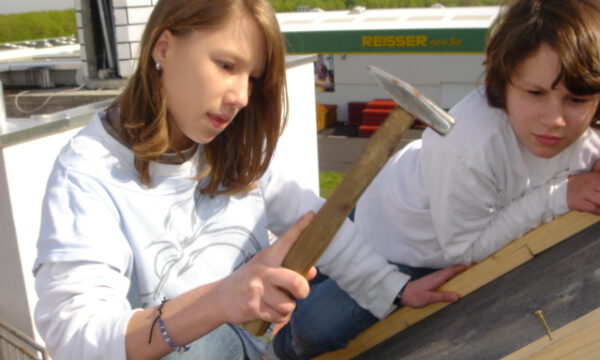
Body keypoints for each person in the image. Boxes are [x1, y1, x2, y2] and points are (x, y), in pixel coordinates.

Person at [32, 1, 467, 359]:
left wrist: (395, 289)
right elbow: (73, 338)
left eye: (252, 77)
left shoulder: (234, 145)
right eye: (225, 65)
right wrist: (219, 300)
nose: (240, 96)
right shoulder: (89, 173)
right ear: (163, 47)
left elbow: (314, 222)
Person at [273, 0, 600, 358]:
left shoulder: (590, 138)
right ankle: (278, 348)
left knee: (312, 325)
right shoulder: (470, 145)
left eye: (577, 98)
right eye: (535, 93)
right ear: (502, 83)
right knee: (311, 315)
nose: (555, 119)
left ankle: (285, 344)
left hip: (429, 240)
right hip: (399, 235)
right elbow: (465, 250)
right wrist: (560, 196)